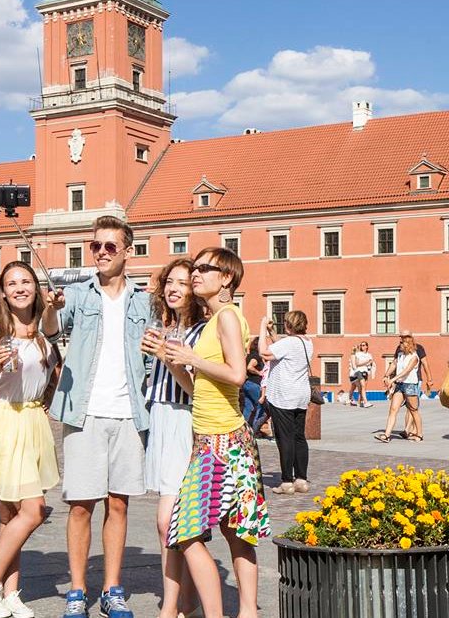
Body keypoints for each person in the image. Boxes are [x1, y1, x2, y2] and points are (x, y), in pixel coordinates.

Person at [40, 216, 155, 618]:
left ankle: (112, 588)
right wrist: (52, 310)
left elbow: (156, 350)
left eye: (110, 246)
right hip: (84, 412)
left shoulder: (144, 300)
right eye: (96, 246)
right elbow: (51, 332)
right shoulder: (75, 294)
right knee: (80, 506)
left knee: (119, 505)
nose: (101, 252)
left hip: (129, 413)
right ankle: (76, 590)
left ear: (127, 251)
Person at [159, 246, 268, 618]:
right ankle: (248, 612)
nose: (195, 273)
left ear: (227, 278)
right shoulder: (216, 320)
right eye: (196, 267)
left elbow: (238, 375)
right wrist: (173, 360)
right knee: (236, 535)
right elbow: (197, 389)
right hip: (217, 439)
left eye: (205, 268)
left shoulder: (226, 318)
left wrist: (192, 358)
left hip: (222, 444)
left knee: (186, 532)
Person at [0, 260, 59, 618]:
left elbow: (54, 374)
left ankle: (10, 592)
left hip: (30, 420)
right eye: (12, 283)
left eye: (26, 282)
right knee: (33, 511)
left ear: (36, 288)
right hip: (0, 419)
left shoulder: (45, 332)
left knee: (11, 516)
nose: (19, 288)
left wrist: (46, 399)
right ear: (2, 292)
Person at [138, 258, 206, 618]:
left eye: (183, 282)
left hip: (184, 421)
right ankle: (188, 603)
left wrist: (166, 357)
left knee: (170, 519)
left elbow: (195, 389)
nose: (174, 288)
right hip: (161, 416)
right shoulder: (165, 326)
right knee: (175, 519)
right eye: (170, 282)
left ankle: (170, 607)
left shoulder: (200, 332)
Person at [261, 310, 313, 493]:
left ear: (289, 325)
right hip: (301, 395)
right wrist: (271, 333)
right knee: (299, 437)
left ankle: (286, 482)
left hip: (284, 395)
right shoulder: (306, 342)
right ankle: (301, 479)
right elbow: (282, 347)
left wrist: (261, 328)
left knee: (285, 438)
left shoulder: (289, 343)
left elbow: (264, 353)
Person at [376, 334, 422, 442]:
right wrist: (386, 375)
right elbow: (393, 365)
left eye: (401, 342)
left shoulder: (414, 357)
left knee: (413, 410)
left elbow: (406, 371)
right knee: (393, 409)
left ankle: (419, 434)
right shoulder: (400, 355)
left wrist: (392, 379)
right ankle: (387, 435)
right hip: (400, 385)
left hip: (410, 385)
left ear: (407, 344)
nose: (399, 344)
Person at [240, 338, 267, 436]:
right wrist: (259, 372)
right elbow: (250, 367)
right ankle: (254, 432)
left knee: (248, 408)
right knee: (262, 409)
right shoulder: (256, 356)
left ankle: (243, 431)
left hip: (247, 384)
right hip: (255, 385)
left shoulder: (248, 356)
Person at [347, 342, 373, 407]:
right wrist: (367, 362)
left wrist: (369, 365)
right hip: (358, 372)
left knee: (361, 387)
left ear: (367, 346)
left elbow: (371, 363)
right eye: (361, 345)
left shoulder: (369, 355)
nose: (362, 346)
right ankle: (365, 402)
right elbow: (357, 364)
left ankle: (359, 401)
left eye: (363, 345)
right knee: (362, 386)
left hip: (365, 372)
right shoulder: (357, 354)